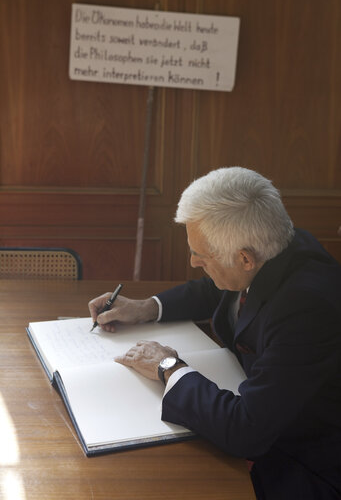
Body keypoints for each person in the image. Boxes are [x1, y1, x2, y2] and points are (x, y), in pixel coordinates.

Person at [89, 167, 341, 500]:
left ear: (245, 258)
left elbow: (246, 431)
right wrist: (147, 307)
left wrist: (168, 367)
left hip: (306, 461)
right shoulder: (279, 243)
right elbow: (219, 288)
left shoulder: (306, 308)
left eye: (201, 255)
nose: (193, 262)